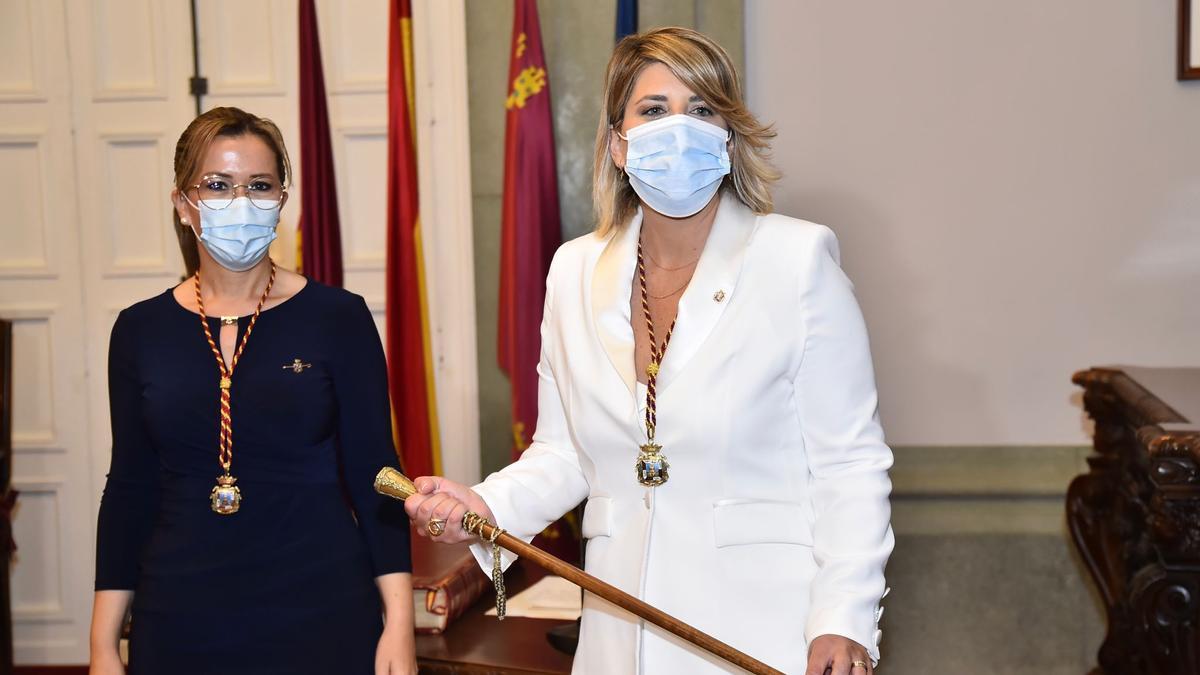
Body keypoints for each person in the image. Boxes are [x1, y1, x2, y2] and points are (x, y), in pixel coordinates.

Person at [405, 27, 895, 675]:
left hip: (762, 635)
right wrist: (486, 506)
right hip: (618, 638)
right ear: (617, 141)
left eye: (702, 110)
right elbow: (565, 451)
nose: (679, 129)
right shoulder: (573, 271)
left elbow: (849, 464)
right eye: (654, 110)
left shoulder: (796, 261)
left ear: (728, 136)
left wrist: (844, 619)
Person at [89, 107, 416, 675]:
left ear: (281, 200)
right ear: (183, 203)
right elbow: (129, 489)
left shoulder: (339, 317)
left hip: (322, 612)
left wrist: (400, 626)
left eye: (259, 185)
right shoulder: (139, 330)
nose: (240, 202)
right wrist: (101, 645)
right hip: (179, 615)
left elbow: (377, 477)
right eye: (218, 185)